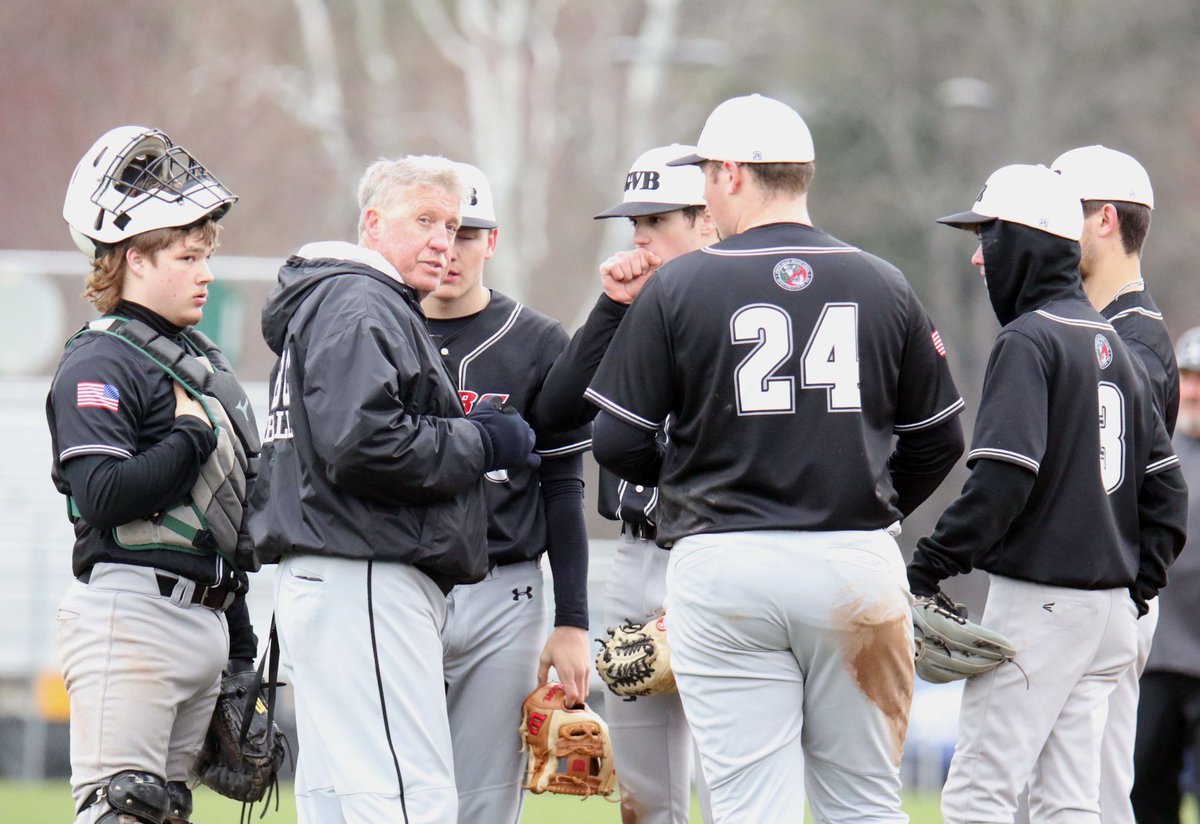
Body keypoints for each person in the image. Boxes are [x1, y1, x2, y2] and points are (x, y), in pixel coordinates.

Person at [587, 94, 966, 822]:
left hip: (727, 563)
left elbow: (616, 440)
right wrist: (870, 495)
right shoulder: (881, 280)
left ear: (731, 173)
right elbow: (941, 438)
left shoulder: (681, 284)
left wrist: (696, 484)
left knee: (749, 809)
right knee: (861, 804)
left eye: (705, 174)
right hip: (854, 558)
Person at [243, 154, 539, 824]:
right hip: (366, 570)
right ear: (372, 224)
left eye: (454, 224)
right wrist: (483, 441)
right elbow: (365, 442)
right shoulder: (361, 300)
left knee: (340, 797)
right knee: (406, 796)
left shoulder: (333, 301)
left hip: (335, 569)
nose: (442, 239)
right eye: (424, 219)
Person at [907, 163, 1188, 823]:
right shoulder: (1111, 343)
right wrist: (1134, 584)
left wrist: (928, 565)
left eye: (990, 236)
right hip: (1108, 614)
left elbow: (1003, 480)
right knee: (1069, 803)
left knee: (980, 794)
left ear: (1025, 244)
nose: (979, 256)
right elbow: (1169, 495)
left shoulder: (1031, 338)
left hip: (1043, 603)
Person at [52, 125, 261, 824]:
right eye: (187, 255)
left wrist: (239, 645)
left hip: (201, 613)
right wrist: (191, 435)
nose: (206, 272)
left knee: (165, 813)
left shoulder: (190, 356)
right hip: (131, 613)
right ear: (134, 258)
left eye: (205, 254)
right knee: (123, 812)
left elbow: (218, 525)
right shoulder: (102, 360)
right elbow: (102, 494)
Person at [535, 143, 718, 824]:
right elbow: (555, 412)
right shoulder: (636, 310)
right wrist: (612, 307)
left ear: (708, 217)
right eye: (633, 223)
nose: (638, 238)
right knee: (645, 795)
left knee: (733, 781)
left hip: (715, 556)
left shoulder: (734, 308)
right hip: (638, 554)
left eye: (656, 220)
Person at [420, 162, 592, 822]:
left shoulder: (539, 341)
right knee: (396, 789)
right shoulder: (380, 329)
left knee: (487, 801)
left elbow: (563, 487)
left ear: (492, 242)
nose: (452, 248)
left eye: (469, 233)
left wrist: (572, 620)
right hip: (407, 584)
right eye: (438, 229)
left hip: (505, 590)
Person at [1050, 144, 1178, 823]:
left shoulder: (1133, 336)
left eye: (1060, 213)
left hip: (1100, 588)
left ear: (1104, 220)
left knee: (1091, 799)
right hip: (1096, 590)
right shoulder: (1101, 326)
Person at [1131, 326, 1200, 823]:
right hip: (1157, 654)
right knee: (1147, 791)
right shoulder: (1155, 448)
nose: (1195, 390)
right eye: (1189, 377)